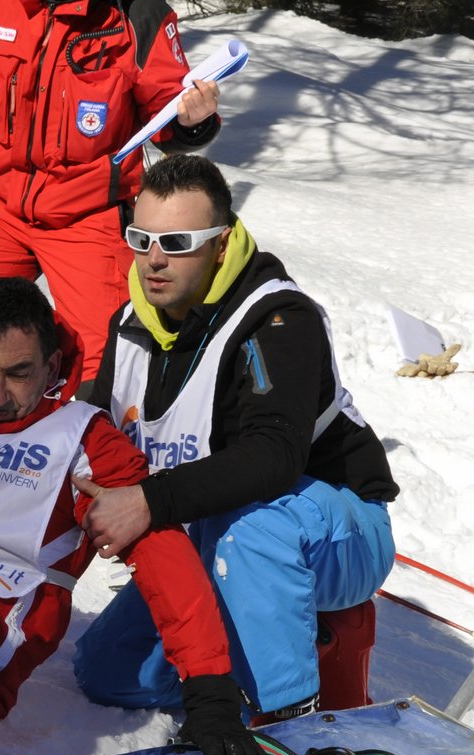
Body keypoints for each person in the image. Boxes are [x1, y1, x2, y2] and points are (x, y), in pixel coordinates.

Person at [0, 276, 271, 755]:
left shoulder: (82, 440)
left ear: (51, 366)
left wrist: (210, 688)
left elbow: (163, 555)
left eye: (18, 373)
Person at [73, 154, 398, 719]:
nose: (154, 260)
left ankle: (288, 721)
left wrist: (147, 502)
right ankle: (249, 664)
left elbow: (274, 456)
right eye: (141, 238)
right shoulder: (129, 321)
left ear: (221, 245)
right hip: (207, 536)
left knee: (246, 528)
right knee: (108, 671)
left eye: (177, 243)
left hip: (337, 528)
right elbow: (96, 438)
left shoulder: (276, 319)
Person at [0, 0, 222, 387]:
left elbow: (168, 106)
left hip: (90, 216)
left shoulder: (136, 13)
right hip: (3, 208)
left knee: (107, 373)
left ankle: (78, 442)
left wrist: (191, 120)